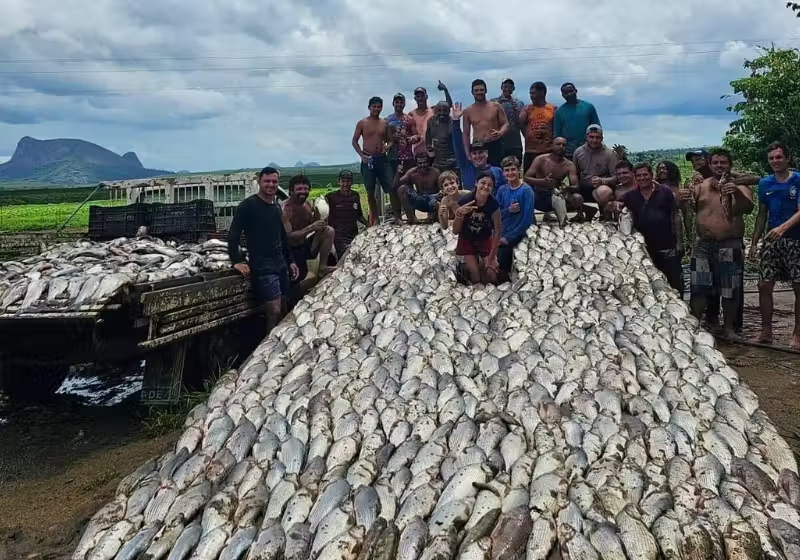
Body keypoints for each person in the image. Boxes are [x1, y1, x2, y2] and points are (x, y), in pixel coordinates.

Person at [680, 149, 759, 333]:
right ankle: (696, 326)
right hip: (703, 244)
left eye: (723, 162)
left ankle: (730, 328)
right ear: (710, 164)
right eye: (715, 162)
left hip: (729, 243)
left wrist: (736, 193)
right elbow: (689, 208)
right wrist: (682, 198)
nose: (719, 166)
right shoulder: (701, 185)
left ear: (730, 165)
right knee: (699, 287)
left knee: (729, 289)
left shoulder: (740, 185)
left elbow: (747, 209)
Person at [228, 166, 299, 333]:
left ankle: (277, 343)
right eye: (267, 181)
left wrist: (291, 261)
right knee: (273, 311)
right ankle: (266, 350)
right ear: (260, 182)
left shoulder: (275, 208)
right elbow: (233, 234)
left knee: (283, 307)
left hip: (280, 265)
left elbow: (282, 237)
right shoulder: (248, 206)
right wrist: (236, 261)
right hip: (263, 267)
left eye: (274, 181)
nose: (271, 184)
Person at [748, 142, 800, 349]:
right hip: (771, 240)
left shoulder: (798, 180)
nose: (775, 161)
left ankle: (797, 334)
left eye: (779, 157)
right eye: (771, 158)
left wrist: (783, 228)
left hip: (796, 240)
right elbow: (761, 214)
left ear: (787, 158)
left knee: (798, 286)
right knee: (764, 285)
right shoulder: (765, 184)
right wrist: (754, 243)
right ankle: (766, 332)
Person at [610, 163, 684, 294]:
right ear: (635, 177)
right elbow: (613, 208)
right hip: (644, 249)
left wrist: (679, 242)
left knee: (675, 283)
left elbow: (676, 216)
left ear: (651, 175)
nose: (642, 178)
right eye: (639, 176)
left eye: (645, 175)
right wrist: (614, 205)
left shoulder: (665, 192)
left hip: (667, 245)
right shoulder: (630, 196)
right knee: (651, 284)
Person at [352, 96, 402, 225]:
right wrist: (361, 155)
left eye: (379, 106)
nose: (376, 109)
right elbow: (355, 141)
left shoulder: (384, 123)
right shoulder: (362, 123)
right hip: (368, 158)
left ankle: (397, 216)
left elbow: (390, 140)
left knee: (391, 187)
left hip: (382, 159)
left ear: (381, 108)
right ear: (369, 107)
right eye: (374, 106)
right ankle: (374, 219)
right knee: (370, 190)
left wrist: (388, 146)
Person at [282, 174, 336, 285]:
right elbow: (287, 236)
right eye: (299, 189)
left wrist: (319, 217)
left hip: (304, 246)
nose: (303, 192)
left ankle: (322, 267)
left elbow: (315, 225)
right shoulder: (285, 210)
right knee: (296, 279)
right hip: (290, 251)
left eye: (306, 189)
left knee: (328, 231)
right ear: (291, 191)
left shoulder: (307, 205)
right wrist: (311, 228)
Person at [453, 171, 502, 284]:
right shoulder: (465, 201)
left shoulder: (494, 204)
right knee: (475, 276)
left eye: (489, 185)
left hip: (485, 240)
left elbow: (498, 231)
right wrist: (459, 214)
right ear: (476, 183)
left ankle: (483, 264)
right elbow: (455, 231)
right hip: (467, 239)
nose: (485, 187)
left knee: (492, 274)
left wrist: (491, 258)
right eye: (483, 183)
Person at [524, 137, 583, 226]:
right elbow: (526, 178)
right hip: (540, 196)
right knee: (526, 193)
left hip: (558, 196)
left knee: (577, 198)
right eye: (558, 144)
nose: (561, 147)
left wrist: (567, 188)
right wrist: (542, 181)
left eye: (564, 145)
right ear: (552, 146)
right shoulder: (540, 159)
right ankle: (531, 221)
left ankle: (578, 217)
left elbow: (576, 186)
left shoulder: (569, 165)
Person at [451, 102, 506, 192]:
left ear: (486, 153)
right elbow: (458, 146)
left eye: (480, 152)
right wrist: (456, 121)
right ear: (470, 155)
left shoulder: (497, 171)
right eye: (474, 153)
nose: (478, 156)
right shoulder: (466, 167)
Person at [495, 156, 534, 276]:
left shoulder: (526, 191)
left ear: (519, 171)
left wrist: (508, 238)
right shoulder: (502, 190)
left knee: (501, 261)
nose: (510, 173)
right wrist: (508, 210)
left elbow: (527, 221)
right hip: (502, 230)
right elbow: (495, 214)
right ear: (503, 173)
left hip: (518, 233)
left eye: (513, 169)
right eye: (507, 170)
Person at [573, 124, 617, 221]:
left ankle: (605, 214)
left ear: (602, 138)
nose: (594, 140)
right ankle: (581, 214)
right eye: (591, 137)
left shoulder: (609, 153)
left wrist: (602, 180)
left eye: (597, 137)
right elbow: (574, 173)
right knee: (568, 195)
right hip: (583, 187)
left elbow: (616, 177)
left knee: (604, 192)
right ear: (586, 137)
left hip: (600, 188)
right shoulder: (578, 152)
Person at [462, 79, 509, 167]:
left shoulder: (495, 106)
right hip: (478, 146)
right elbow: (466, 133)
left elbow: (505, 124)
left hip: (495, 144)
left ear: (486, 91)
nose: (479, 92)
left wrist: (500, 132)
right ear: (472, 92)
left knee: (497, 172)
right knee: (481, 175)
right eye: (476, 90)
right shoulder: (468, 111)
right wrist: (467, 153)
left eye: (481, 90)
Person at [325, 169, 367, 259]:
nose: (345, 184)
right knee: (346, 257)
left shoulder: (356, 195)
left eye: (348, 181)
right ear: (339, 182)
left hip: (353, 235)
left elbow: (359, 215)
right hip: (338, 237)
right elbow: (324, 216)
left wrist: (369, 225)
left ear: (351, 182)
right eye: (343, 181)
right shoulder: (330, 197)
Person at [554, 83, 601, 158]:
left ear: (576, 91)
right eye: (566, 93)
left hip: (587, 149)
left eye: (571, 91)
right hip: (567, 151)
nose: (569, 94)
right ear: (562, 95)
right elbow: (556, 134)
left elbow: (597, 128)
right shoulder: (559, 111)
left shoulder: (588, 107)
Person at [520, 82, 557, 175]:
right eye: (530, 93)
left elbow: (557, 128)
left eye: (534, 93)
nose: (532, 96)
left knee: (547, 178)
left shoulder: (553, 108)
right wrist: (528, 136)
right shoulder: (527, 109)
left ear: (542, 93)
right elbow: (520, 124)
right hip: (531, 151)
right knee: (529, 178)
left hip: (547, 151)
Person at [396, 151, 442, 224]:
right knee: (402, 189)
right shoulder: (412, 172)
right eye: (420, 163)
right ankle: (411, 218)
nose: (422, 165)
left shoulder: (435, 172)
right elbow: (395, 185)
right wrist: (398, 173)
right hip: (420, 198)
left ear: (428, 162)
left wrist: (440, 195)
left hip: (433, 199)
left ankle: (434, 216)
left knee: (440, 200)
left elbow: (442, 188)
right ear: (416, 164)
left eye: (425, 162)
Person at [492, 78, 526, 164]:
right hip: (498, 143)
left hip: (515, 143)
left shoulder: (519, 103)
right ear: (501, 87)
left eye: (510, 87)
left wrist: (515, 110)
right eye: (505, 86)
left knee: (515, 168)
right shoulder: (493, 102)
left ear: (513, 88)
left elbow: (521, 123)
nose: (507, 89)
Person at [385, 93, 417, 179]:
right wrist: (391, 138)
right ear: (393, 103)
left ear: (404, 104)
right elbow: (383, 138)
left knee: (408, 182)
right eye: (397, 102)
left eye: (401, 102)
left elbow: (417, 136)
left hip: (408, 157)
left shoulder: (410, 119)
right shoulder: (387, 120)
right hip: (392, 157)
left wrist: (411, 138)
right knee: (394, 183)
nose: (399, 104)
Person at [425, 100, 458, 172]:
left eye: (445, 110)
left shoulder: (452, 123)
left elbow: (458, 142)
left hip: (452, 161)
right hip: (437, 161)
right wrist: (429, 146)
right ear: (436, 111)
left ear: (449, 112)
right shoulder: (431, 121)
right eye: (439, 110)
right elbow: (428, 135)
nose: (442, 113)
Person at [409, 87, 434, 157]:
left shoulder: (433, 111)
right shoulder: (411, 114)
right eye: (418, 96)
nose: (420, 98)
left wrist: (445, 90)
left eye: (422, 96)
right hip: (417, 150)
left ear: (426, 96)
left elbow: (448, 105)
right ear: (415, 98)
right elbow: (410, 132)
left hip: (431, 149)